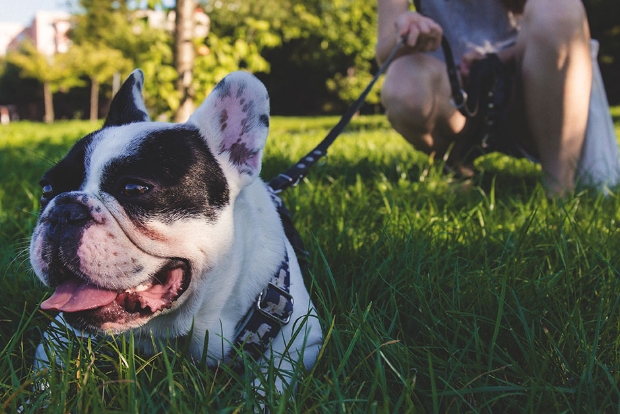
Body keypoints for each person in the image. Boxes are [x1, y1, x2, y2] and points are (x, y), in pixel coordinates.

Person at [376, 0, 619, 197]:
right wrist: (406, 31)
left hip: (524, 80)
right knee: (402, 83)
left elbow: (560, 22)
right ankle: (457, 162)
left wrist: (493, 62)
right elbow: (383, 54)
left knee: (560, 5)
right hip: (453, 90)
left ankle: (559, 189)